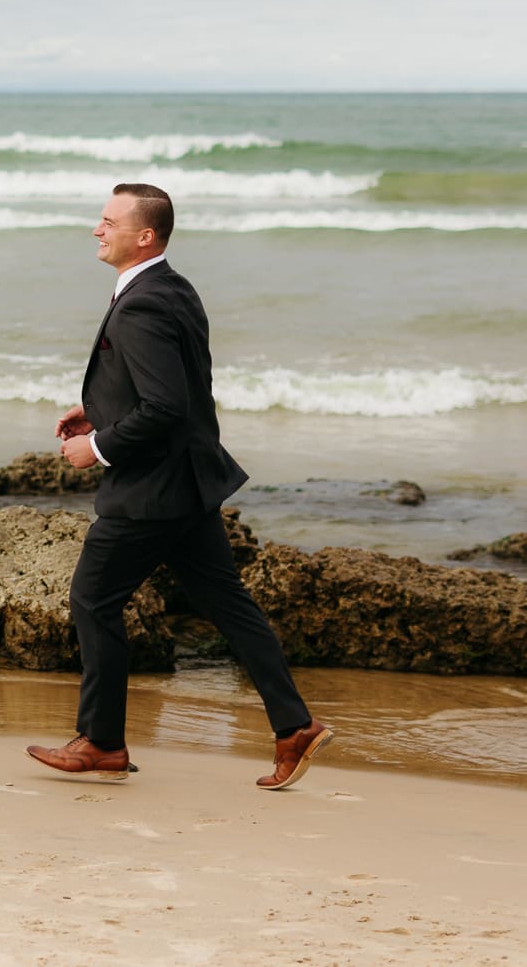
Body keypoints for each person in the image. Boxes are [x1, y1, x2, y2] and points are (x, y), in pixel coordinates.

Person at [28, 183, 330, 789]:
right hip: (188, 482)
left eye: (108, 221)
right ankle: (294, 726)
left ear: (145, 236)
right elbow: (177, 390)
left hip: (151, 490)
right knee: (230, 608)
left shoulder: (141, 302)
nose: (96, 229)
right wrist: (99, 410)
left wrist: (99, 446)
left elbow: (165, 406)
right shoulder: (173, 287)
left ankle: (103, 743)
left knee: (93, 599)